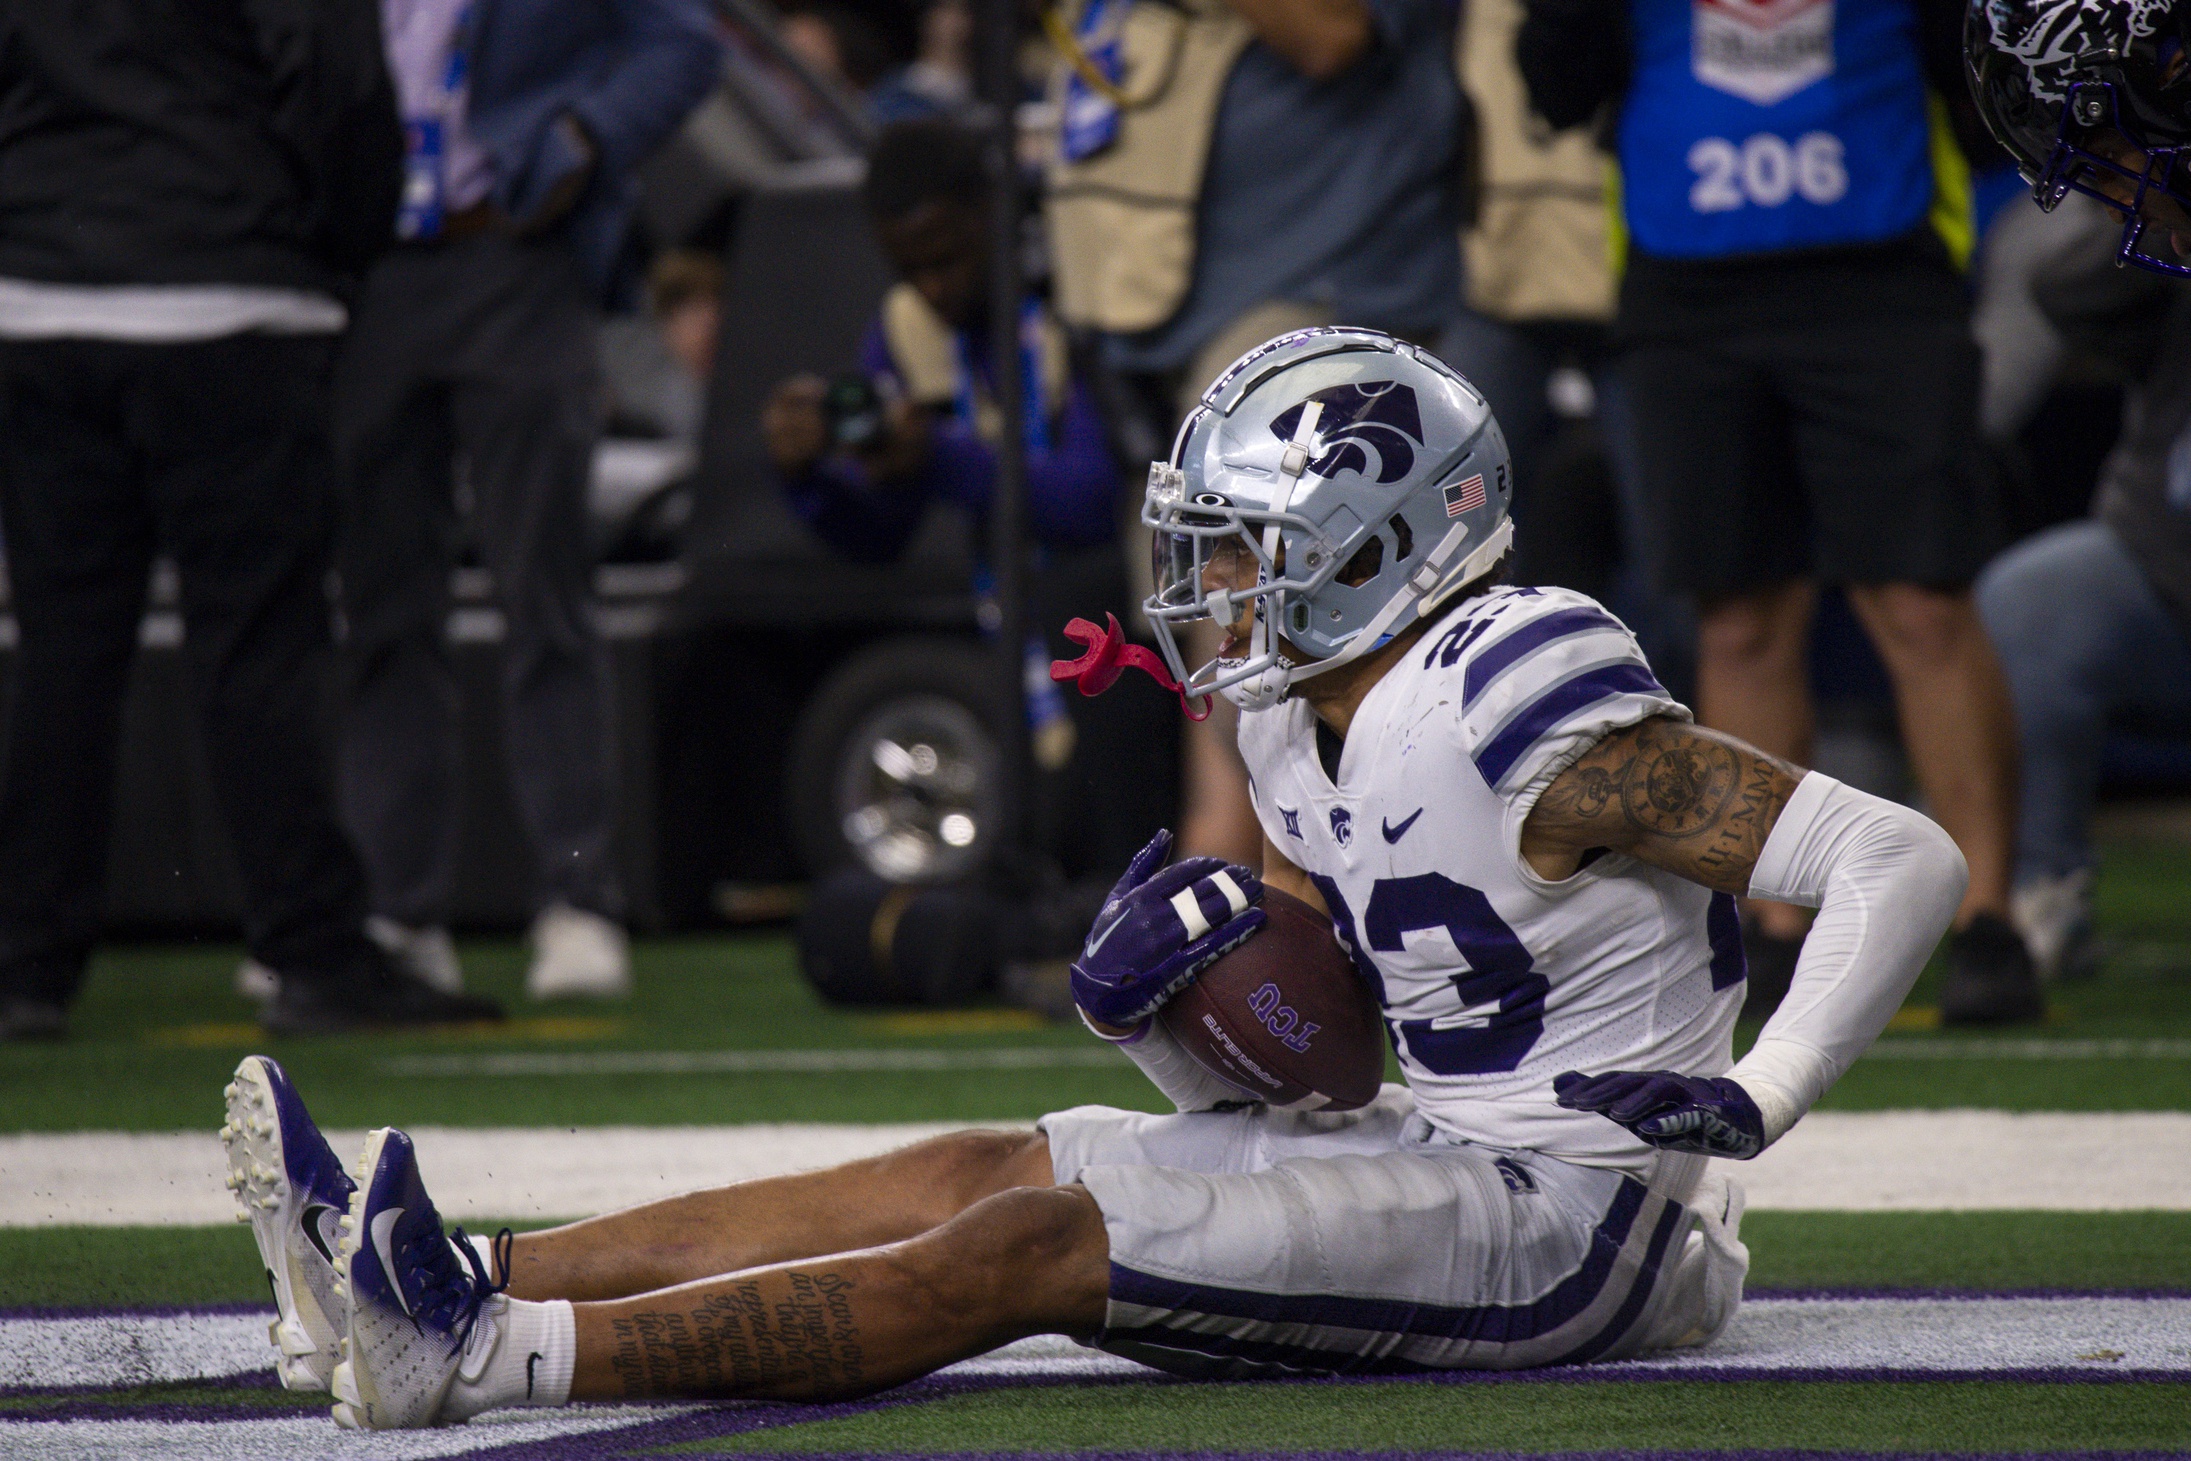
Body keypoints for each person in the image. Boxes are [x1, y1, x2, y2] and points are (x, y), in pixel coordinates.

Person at [226, 331, 1966, 1424]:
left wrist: (1765, 1088)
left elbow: (1895, 852)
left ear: (1375, 539)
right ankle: (467, 1268)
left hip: (1592, 1222)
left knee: (1034, 1242)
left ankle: (472, 1355)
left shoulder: (1519, 684)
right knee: (991, 1156)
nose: (1200, 591)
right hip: (1443, 1150)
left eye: (1239, 554)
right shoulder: (1299, 713)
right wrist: (1177, 1021)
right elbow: (1346, 1062)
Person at [1517, 0, 2036, 1024]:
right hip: (1685, 297)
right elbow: (1554, 86)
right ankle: (1776, 920)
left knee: (1923, 605)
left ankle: (1987, 917)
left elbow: (1989, 103)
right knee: (1740, 619)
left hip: (1881, 285)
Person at [0, 0, 501, 1039]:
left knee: (63, 654)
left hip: (41, 299)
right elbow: (342, 86)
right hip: (230, 293)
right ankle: (312, 952)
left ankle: (26, 968)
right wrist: (334, 249)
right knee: (260, 651)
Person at [332, 0, 721, 1001]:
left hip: (514, 254)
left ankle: (580, 898)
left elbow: (682, 44)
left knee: (545, 592)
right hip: (364, 261)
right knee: (381, 607)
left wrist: (584, 137)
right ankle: (397, 911)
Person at [1046, 0, 1469, 869]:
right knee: (1212, 614)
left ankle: (1240, 885)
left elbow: (1331, 33)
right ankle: (1232, 885)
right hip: (1176, 314)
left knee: (1267, 618)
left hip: (1324, 297)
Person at [763, 120, 1174, 880]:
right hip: (1020, 635)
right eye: (909, 267)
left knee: (1081, 594)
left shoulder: (1070, 297)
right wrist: (809, 477)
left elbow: (1091, 502)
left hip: (1145, 617)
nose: (933, 287)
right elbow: (881, 538)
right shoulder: (907, 327)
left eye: (947, 258)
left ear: (992, 210)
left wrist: (941, 458)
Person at [1966, 0, 2191, 979]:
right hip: (2169, 577)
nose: (2097, 180)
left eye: (2102, 143)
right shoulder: (2141, 248)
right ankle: (2043, 891)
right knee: (2033, 601)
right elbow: (2052, 280)